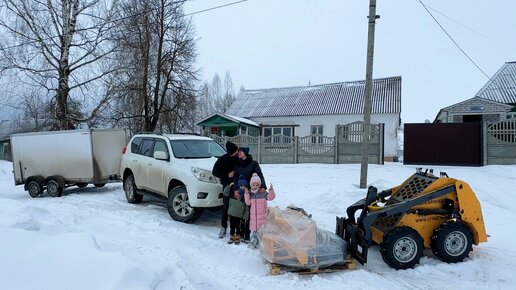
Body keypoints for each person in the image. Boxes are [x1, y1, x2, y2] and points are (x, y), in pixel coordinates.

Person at [232, 147, 267, 243]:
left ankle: (247, 235)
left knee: (249, 213)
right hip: (240, 191)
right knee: (239, 213)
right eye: (238, 151)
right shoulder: (237, 164)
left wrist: (263, 186)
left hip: (252, 192)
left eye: (240, 151)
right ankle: (239, 234)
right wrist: (235, 189)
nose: (238, 153)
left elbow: (260, 175)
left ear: (245, 153)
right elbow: (235, 178)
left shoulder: (253, 164)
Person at [212, 141, 239, 238]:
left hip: (238, 187)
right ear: (231, 151)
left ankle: (236, 228)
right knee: (226, 207)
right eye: (235, 150)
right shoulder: (222, 159)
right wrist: (227, 175)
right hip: (227, 186)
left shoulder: (238, 158)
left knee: (237, 207)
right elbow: (215, 172)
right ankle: (223, 227)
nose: (237, 152)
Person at [244, 173, 275, 249]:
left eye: (257, 185)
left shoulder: (263, 193)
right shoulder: (250, 194)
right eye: (253, 185)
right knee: (254, 232)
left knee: (262, 232)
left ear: (259, 185)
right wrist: (246, 193)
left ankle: (261, 244)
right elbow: (247, 202)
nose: (255, 187)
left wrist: (271, 190)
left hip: (262, 217)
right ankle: (254, 242)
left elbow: (271, 197)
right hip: (254, 217)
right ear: (251, 185)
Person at [228, 175, 248, 245]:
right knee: (232, 226)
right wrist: (229, 186)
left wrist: (245, 216)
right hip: (231, 213)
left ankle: (237, 237)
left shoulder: (245, 196)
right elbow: (225, 193)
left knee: (238, 227)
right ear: (238, 186)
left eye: (244, 186)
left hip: (239, 215)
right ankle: (232, 236)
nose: (242, 187)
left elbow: (246, 208)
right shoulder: (233, 193)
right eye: (241, 186)